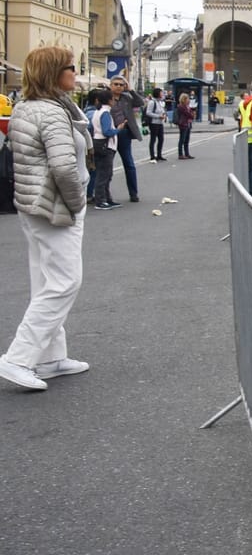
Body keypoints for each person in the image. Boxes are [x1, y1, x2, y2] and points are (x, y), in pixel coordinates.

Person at [0, 46, 94, 391]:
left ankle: (51, 356)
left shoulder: (27, 107)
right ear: (55, 73)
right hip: (55, 205)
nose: (76, 72)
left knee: (45, 279)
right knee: (64, 282)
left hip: (33, 203)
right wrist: (76, 202)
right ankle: (18, 358)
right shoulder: (53, 113)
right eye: (71, 67)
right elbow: (64, 168)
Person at [107, 75, 143, 203]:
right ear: (110, 85)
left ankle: (133, 193)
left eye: (121, 85)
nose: (118, 87)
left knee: (129, 164)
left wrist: (131, 90)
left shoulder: (127, 98)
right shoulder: (105, 98)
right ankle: (105, 194)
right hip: (109, 134)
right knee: (107, 165)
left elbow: (140, 102)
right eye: (116, 84)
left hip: (124, 134)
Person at [85, 89, 119, 210]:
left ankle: (107, 198)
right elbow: (107, 131)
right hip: (105, 145)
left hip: (98, 144)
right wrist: (118, 129)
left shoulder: (97, 112)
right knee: (104, 174)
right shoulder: (105, 113)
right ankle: (101, 200)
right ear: (110, 100)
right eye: (113, 99)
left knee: (104, 173)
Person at [145, 88, 168, 162]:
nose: (162, 94)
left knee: (161, 139)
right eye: (161, 93)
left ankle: (159, 155)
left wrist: (163, 115)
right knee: (153, 139)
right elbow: (148, 112)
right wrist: (158, 116)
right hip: (154, 123)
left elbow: (161, 110)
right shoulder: (152, 102)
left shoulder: (159, 102)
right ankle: (152, 156)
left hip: (160, 123)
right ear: (158, 93)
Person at [174, 93, 195, 159]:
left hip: (188, 124)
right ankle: (180, 154)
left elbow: (191, 113)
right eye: (187, 99)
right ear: (184, 99)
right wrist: (192, 114)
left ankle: (187, 153)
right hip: (183, 124)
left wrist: (191, 113)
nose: (188, 100)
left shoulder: (187, 106)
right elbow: (189, 114)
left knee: (187, 140)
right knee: (182, 140)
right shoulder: (181, 106)